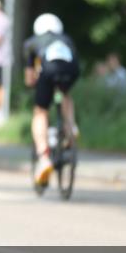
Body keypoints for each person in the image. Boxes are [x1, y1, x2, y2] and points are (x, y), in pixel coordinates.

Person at [23, 13, 80, 187]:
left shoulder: (32, 42)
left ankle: (44, 157)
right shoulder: (67, 39)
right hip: (71, 70)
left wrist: (36, 84)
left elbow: (29, 79)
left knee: (40, 112)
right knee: (64, 94)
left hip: (48, 70)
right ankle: (71, 127)